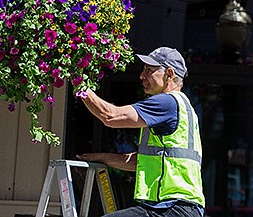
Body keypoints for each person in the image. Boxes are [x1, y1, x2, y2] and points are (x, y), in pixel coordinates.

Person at [77, 46, 205, 217]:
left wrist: (79, 84)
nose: (142, 76)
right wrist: (99, 159)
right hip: (180, 208)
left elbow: (110, 116)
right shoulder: (184, 108)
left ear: (169, 74)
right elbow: (139, 162)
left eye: (149, 70)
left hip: (172, 207)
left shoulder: (166, 103)